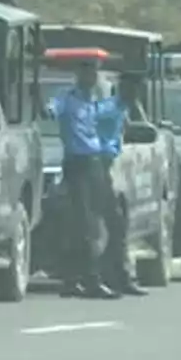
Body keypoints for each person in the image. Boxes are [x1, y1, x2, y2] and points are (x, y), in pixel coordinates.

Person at [44, 56, 128, 299]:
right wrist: (44, 107)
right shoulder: (67, 99)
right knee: (84, 223)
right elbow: (51, 110)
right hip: (77, 164)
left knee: (109, 219)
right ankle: (89, 281)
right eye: (87, 73)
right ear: (78, 75)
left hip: (96, 163)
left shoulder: (95, 101)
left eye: (94, 73)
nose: (91, 78)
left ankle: (83, 278)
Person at [95, 75, 147, 296]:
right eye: (131, 91)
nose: (135, 96)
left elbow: (138, 129)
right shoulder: (107, 110)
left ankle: (120, 277)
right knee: (110, 226)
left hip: (112, 171)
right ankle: (111, 277)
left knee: (117, 227)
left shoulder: (122, 110)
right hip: (99, 169)